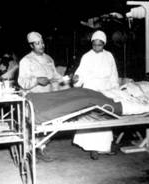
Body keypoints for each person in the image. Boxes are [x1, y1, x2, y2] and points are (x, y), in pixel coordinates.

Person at [72, 30, 119, 159]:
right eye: (94, 45)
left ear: (104, 44)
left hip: (105, 91)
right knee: (92, 119)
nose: (97, 48)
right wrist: (76, 80)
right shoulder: (87, 56)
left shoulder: (109, 56)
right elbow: (79, 75)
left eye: (100, 45)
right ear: (92, 43)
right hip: (91, 91)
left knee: (105, 118)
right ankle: (92, 148)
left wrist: (115, 90)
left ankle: (104, 147)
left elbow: (114, 75)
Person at [18, 31, 64, 162]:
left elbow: (55, 77)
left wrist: (68, 79)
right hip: (34, 98)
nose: (41, 45)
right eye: (37, 43)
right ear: (31, 46)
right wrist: (36, 81)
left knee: (47, 125)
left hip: (48, 97)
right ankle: (28, 151)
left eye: (42, 42)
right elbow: (22, 82)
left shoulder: (49, 59)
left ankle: (41, 148)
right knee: (32, 125)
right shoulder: (26, 61)